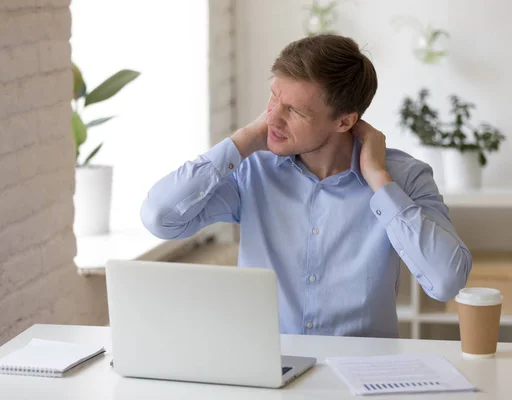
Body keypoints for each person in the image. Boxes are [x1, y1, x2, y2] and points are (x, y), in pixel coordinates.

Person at [141, 34, 472, 338]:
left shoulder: (404, 177)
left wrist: (378, 180)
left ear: (345, 121)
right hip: (268, 371)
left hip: (363, 375)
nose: (272, 118)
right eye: (273, 98)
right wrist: (241, 141)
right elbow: (161, 219)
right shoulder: (254, 169)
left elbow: (445, 282)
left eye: (294, 111)